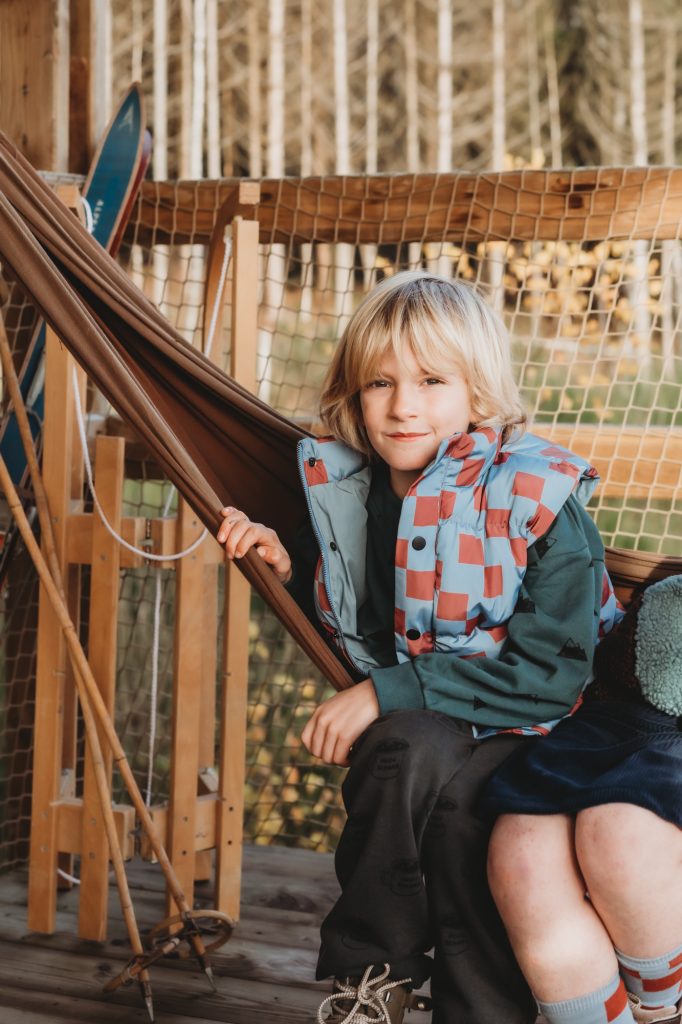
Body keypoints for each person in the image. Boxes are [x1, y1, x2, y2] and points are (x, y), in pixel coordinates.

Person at [217, 270, 622, 1024]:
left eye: (432, 381)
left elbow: (553, 674)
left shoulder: (537, 496)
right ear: (354, 393)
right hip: (431, 721)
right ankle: (376, 979)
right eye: (381, 382)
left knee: (468, 813)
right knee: (400, 751)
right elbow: (357, 598)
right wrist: (286, 563)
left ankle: (480, 1011)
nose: (403, 406)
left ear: (478, 393)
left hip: (541, 722)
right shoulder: (350, 491)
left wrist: (382, 692)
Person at [483, 583, 682, 1024]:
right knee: (522, 858)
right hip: (603, 718)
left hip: (670, 736)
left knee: (623, 839)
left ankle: (662, 1009)